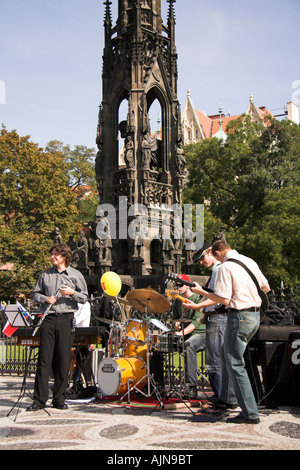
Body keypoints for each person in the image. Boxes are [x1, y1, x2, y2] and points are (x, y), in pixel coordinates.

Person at [187, 241, 270, 424]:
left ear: (217, 253)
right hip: (254, 316)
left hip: (239, 317)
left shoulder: (225, 267)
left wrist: (201, 293)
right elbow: (266, 288)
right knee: (229, 359)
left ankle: (250, 413)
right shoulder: (249, 261)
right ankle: (231, 398)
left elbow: (223, 299)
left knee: (234, 363)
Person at [27, 243, 88, 411]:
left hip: (66, 319)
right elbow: (35, 294)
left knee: (62, 360)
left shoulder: (75, 275)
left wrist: (71, 293)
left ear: (64, 257)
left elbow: (84, 297)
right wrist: (45, 299)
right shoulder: (45, 275)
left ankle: (59, 398)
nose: (52, 257)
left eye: (55, 254)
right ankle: (39, 400)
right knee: (44, 360)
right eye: (52, 254)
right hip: (48, 319)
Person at [189, 243, 227, 400]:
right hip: (215, 318)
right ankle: (221, 395)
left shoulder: (219, 269)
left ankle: (220, 396)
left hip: (218, 319)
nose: (201, 262)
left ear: (211, 252)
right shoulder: (216, 271)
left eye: (202, 257)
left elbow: (218, 298)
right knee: (215, 359)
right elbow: (211, 295)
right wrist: (199, 306)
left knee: (214, 360)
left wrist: (199, 297)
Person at [172, 274, 205, 398]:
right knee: (157, 347)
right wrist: (175, 325)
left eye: (180, 285)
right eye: (176, 285)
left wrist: (181, 333)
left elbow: (197, 322)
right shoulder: (177, 301)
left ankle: (191, 387)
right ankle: (158, 385)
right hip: (185, 334)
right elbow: (175, 319)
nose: (178, 287)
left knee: (189, 345)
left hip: (200, 334)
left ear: (188, 285)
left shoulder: (198, 299)